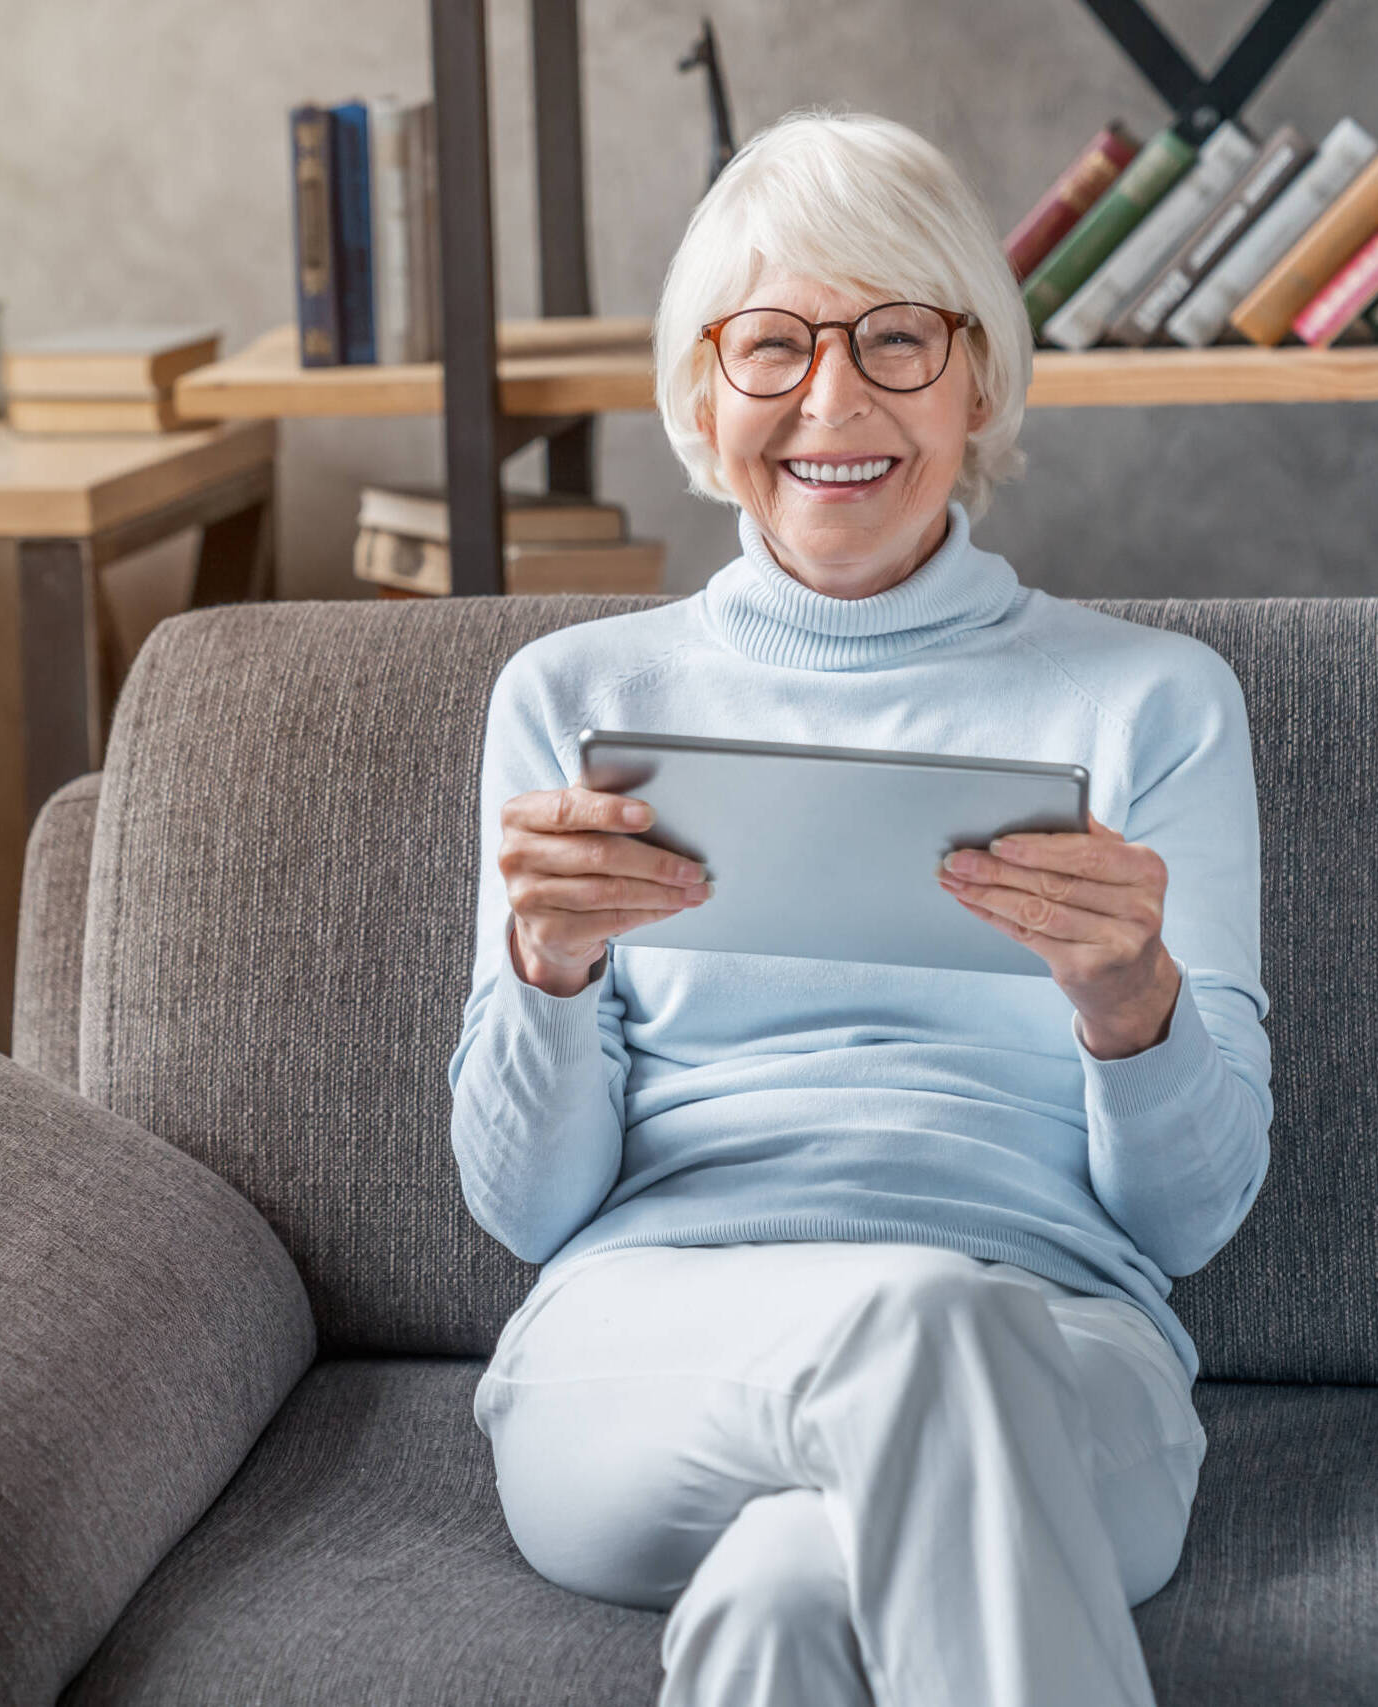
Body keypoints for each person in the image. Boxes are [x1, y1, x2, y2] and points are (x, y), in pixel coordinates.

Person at [446, 106, 1272, 1707]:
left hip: (1063, 1351)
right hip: (648, 1353)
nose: (834, 400)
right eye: (772, 345)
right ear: (703, 392)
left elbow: (1191, 1224)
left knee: (781, 1601)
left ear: (979, 381)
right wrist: (545, 969)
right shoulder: (574, 699)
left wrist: (1131, 1003)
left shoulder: (1152, 708)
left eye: (898, 338)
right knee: (911, 1321)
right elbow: (524, 1213)